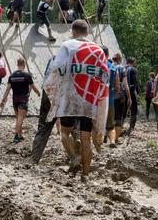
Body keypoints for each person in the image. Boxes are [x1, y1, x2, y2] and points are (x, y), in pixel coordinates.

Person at [43, 19, 109, 177]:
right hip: (89, 100)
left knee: (64, 132)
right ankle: (85, 175)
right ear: (88, 32)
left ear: (72, 32)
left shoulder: (67, 46)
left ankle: (74, 157)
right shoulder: (98, 50)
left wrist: (52, 91)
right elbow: (105, 78)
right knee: (86, 139)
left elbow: (55, 69)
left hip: (69, 99)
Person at [0, 57, 40, 143]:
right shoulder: (27, 75)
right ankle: (16, 137)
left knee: (18, 118)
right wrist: (38, 92)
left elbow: (7, 89)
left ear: (17, 65)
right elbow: (32, 87)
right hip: (23, 100)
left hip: (15, 100)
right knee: (20, 119)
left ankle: (20, 135)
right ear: (24, 65)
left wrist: (3, 100)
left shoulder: (12, 76)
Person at [112, 53, 131, 142]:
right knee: (119, 117)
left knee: (109, 116)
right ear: (120, 60)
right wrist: (129, 97)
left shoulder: (108, 66)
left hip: (108, 95)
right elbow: (125, 84)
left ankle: (106, 136)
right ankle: (115, 139)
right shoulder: (122, 68)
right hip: (119, 95)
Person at [102, 47, 119, 148]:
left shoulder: (96, 66)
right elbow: (117, 86)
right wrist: (113, 94)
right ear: (108, 55)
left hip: (97, 100)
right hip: (110, 99)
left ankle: (98, 143)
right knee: (110, 125)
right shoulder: (113, 68)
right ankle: (112, 141)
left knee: (96, 124)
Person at [125, 57, 140, 132]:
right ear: (133, 62)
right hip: (131, 91)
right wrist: (137, 93)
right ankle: (131, 128)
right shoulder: (133, 70)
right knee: (134, 110)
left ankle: (119, 127)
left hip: (123, 92)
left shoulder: (123, 68)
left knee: (123, 111)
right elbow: (135, 83)